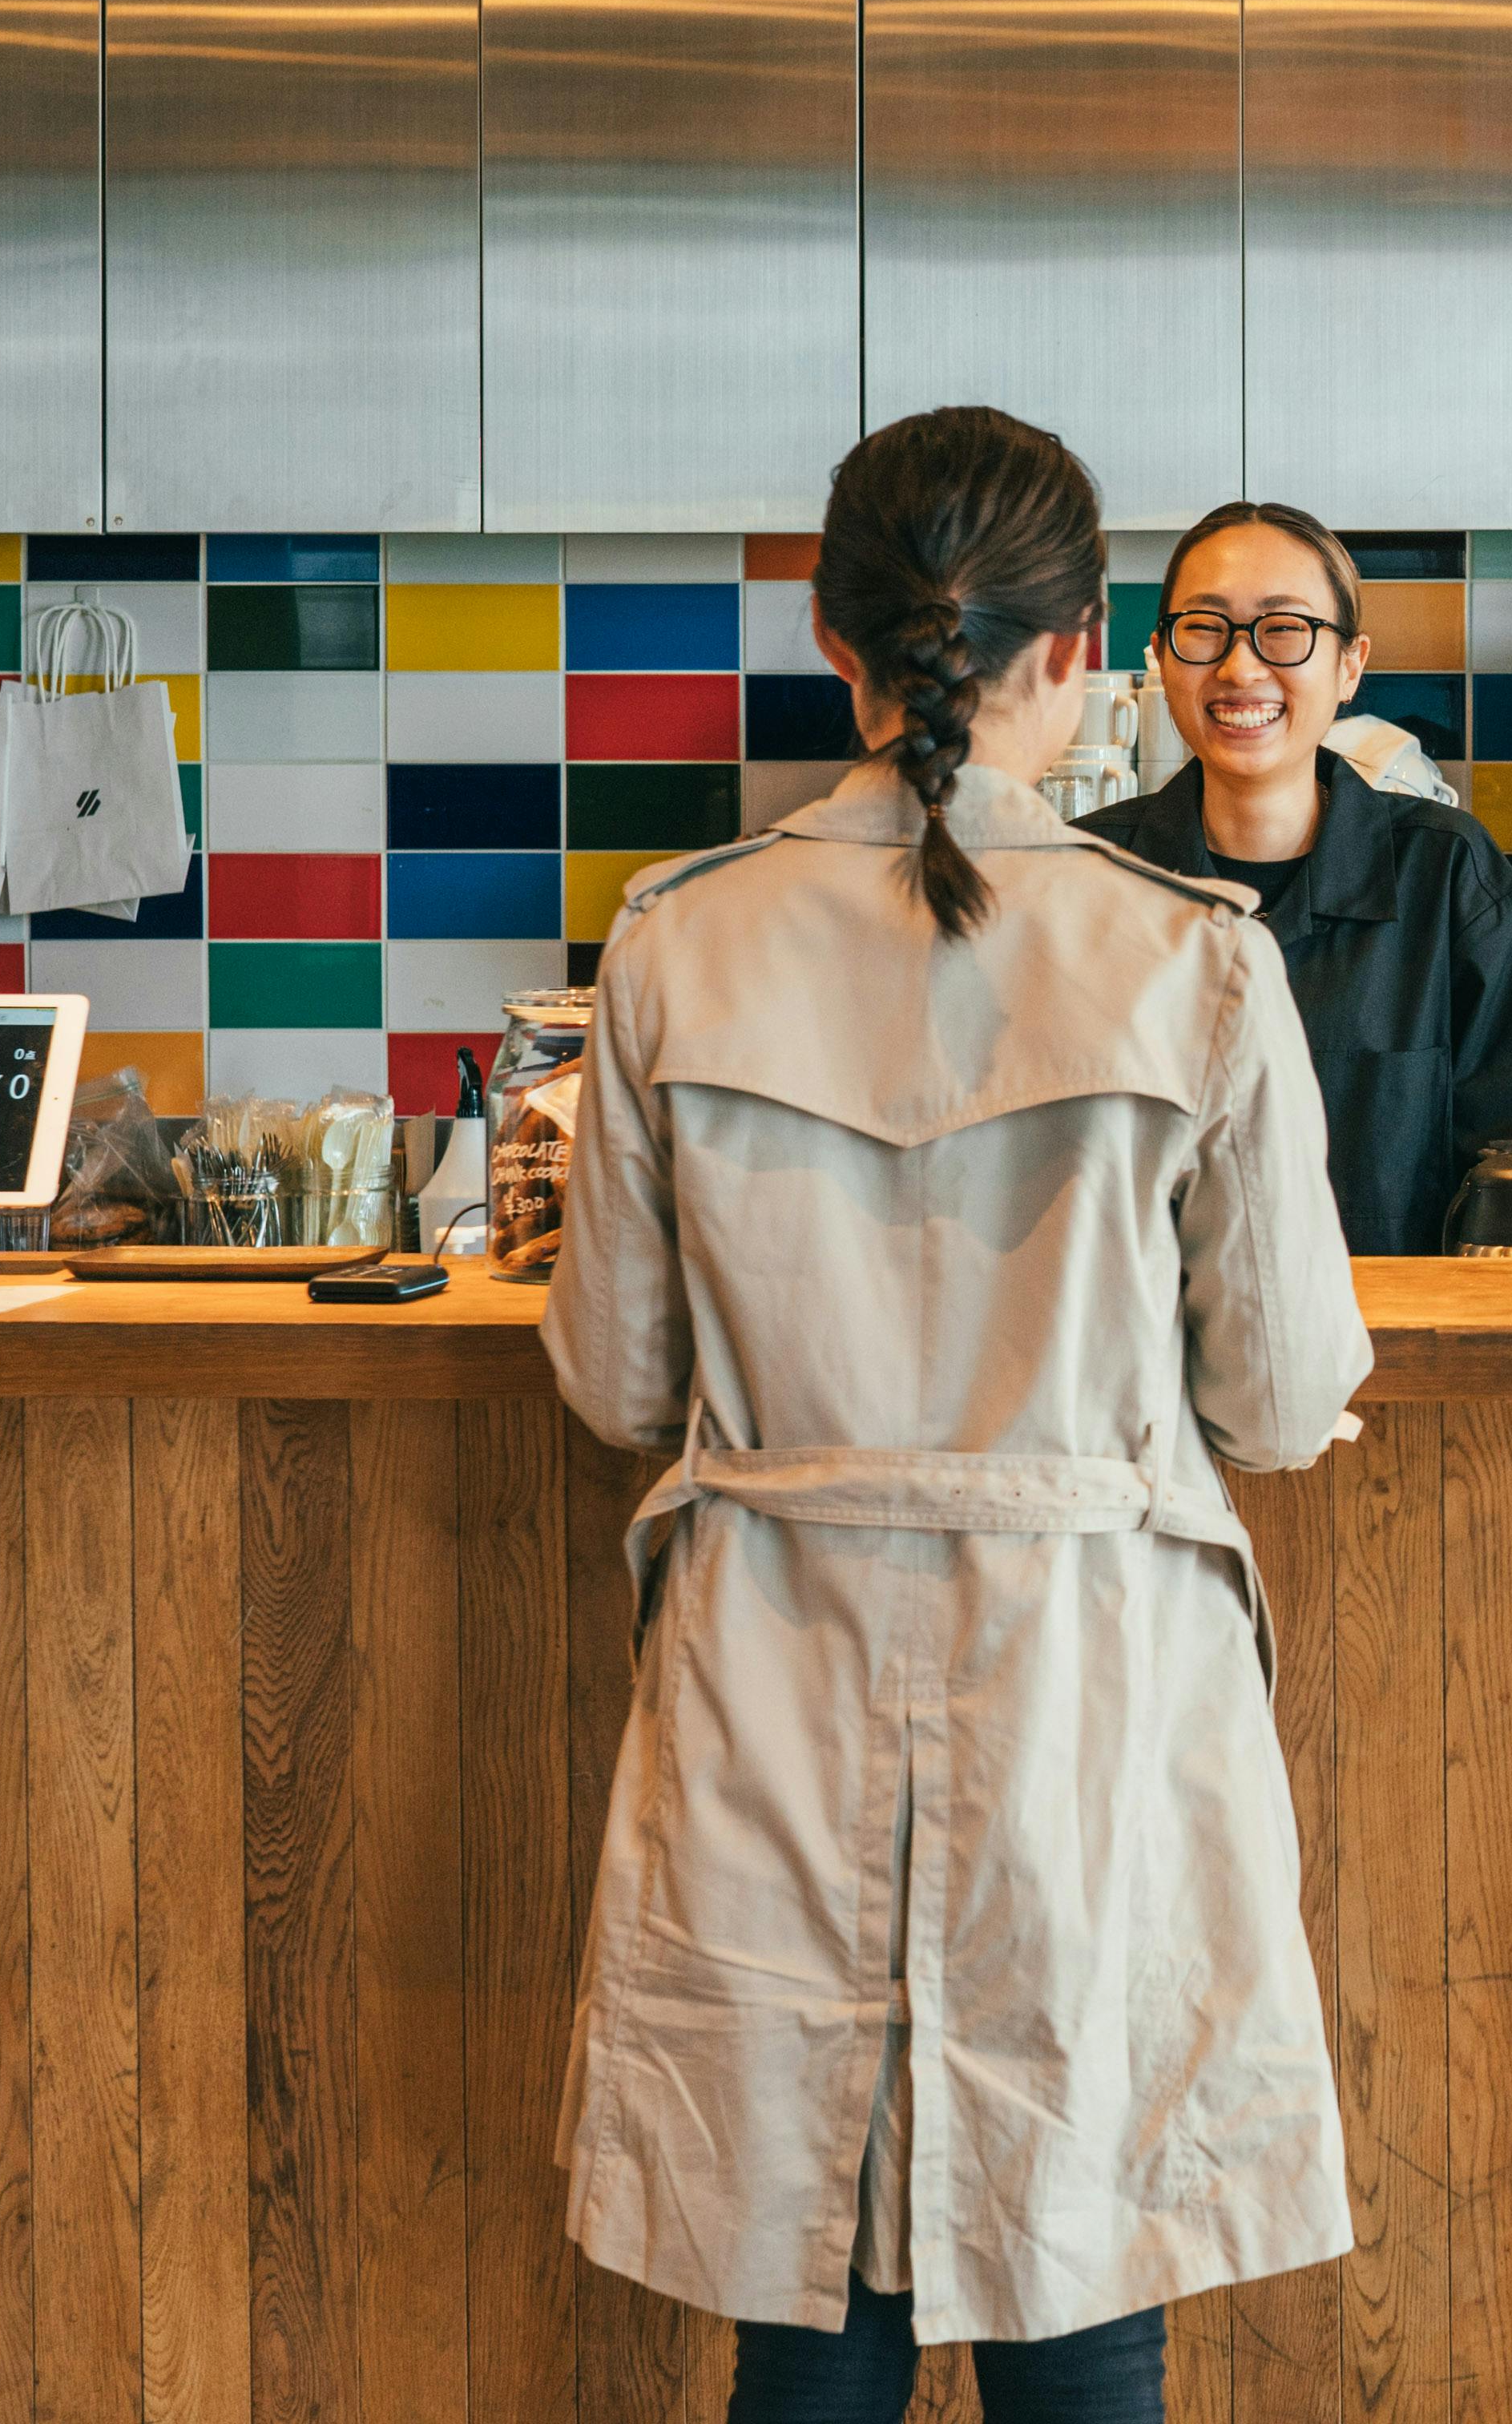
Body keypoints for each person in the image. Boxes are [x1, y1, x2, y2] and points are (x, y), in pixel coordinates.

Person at [543, 405, 1369, 2423]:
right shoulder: (1189, 956)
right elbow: (1277, 1396)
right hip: (1083, 1677)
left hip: (776, 1673)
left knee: (808, 2288)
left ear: (832, 638)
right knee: (1080, 2273)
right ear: (1087, 647)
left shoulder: (674, 940)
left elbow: (615, 1380)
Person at [1081, 501, 1512, 1256]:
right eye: (1204, 629)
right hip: (1146, 1360)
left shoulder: (1447, 878)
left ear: (1350, 665)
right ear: (1161, 656)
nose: (1240, 667)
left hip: (1396, 1358)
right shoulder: (1088, 881)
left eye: (1285, 630)